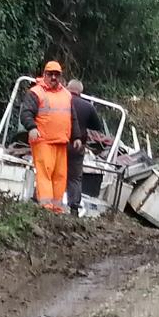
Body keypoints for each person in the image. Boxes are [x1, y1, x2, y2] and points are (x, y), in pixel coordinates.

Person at [19, 61, 82, 212]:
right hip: (43, 141)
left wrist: (77, 137)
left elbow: (72, 117)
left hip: (61, 141)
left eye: (57, 74)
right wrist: (32, 127)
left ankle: (57, 208)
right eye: (50, 74)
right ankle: (46, 207)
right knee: (45, 174)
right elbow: (26, 112)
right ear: (44, 75)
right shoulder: (35, 92)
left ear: (60, 76)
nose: (54, 77)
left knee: (60, 176)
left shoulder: (66, 95)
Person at [65, 79, 102, 215]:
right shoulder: (88, 107)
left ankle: (48, 202)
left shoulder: (60, 101)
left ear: (67, 87)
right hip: (77, 145)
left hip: (58, 142)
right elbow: (97, 126)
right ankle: (74, 207)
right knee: (75, 177)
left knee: (53, 172)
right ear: (81, 91)